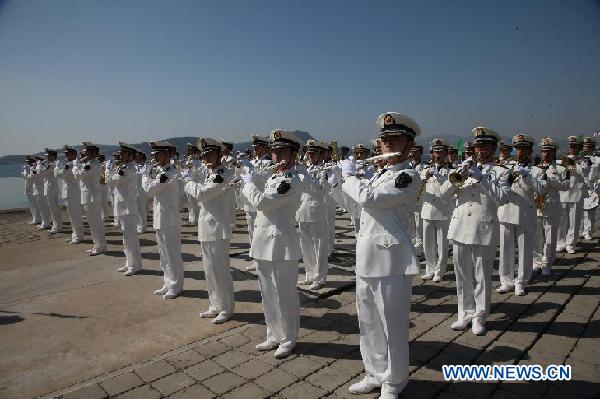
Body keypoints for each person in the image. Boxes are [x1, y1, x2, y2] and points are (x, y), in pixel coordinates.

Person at [341, 112, 421, 398]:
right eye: (384, 140)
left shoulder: (407, 176)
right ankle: (374, 372)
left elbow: (370, 199)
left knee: (393, 326)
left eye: (395, 139)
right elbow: (358, 208)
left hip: (390, 259)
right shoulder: (378, 175)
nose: (387, 145)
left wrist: (349, 176)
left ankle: (394, 381)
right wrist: (337, 183)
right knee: (369, 323)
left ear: (409, 144)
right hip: (366, 257)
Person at [240, 129, 303, 359]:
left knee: (284, 294)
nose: (275, 156)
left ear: (293, 154)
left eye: (281, 151)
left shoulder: (291, 180)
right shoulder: (273, 178)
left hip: (281, 243)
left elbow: (263, 203)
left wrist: (248, 184)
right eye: (274, 152)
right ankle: (274, 333)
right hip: (263, 242)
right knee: (268, 293)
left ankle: (288, 338)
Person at [440, 127, 509, 335]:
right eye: (477, 146)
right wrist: (457, 174)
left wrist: (481, 178)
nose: (479, 150)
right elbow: (444, 194)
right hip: (460, 228)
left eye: (484, 146)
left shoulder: (502, 172)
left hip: (483, 229)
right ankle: (465, 313)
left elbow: (502, 198)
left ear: (493, 148)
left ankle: (480, 316)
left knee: (482, 276)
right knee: (462, 276)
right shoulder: (465, 169)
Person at [184, 138, 236, 324]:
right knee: (209, 270)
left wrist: (188, 181)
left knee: (220, 270)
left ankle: (226, 308)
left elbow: (202, 194)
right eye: (204, 154)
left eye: (210, 154)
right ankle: (214, 304)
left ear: (219, 155)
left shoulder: (223, 173)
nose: (206, 157)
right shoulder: (210, 173)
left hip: (217, 228)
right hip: (206, 227)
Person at [496, 134, 547, 296]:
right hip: (506, 212)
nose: (520, 152)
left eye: (523, 148)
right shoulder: (504, 167)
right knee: (506, 250)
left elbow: (542, 189)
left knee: (525, 251)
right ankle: (506, 281)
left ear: (530, 151)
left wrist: (527, 176)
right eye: (517, 148)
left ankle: (521, 282)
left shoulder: (537, 170)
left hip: (525, 213)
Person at [142, 141, 184, 299]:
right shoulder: (161, 171)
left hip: (169, 219)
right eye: (154, 155)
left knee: (172, 254)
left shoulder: (170, 173)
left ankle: (176, 285)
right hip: (160, 218)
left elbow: (149, 190)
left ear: (167, 154)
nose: (155, 157)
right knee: (164, 253)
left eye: (158, 154)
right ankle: (168, 282)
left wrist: (145, 177)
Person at [531, 137, 570, 275]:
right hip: (536, 207)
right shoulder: (534, 168)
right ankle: (536, 261)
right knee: (536, 238)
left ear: (554, 152)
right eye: (544, 151)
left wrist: (549, 179)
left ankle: (547, 262)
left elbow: (566, 186)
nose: (546, 154)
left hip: (551, 207)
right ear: (541, 152)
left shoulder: (560, 168)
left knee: (550, 238)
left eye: (549, 151)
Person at [296, 139, 330, 290]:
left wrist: (305, 177)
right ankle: (309, 274)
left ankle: (320, 277)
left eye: (313, 153)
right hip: (301, 211)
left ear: (320, 154)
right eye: (308, 153)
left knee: (319, 247)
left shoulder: (326, 169)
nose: (310, 156)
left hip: (316, 212)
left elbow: (320, 191)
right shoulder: (304, 168)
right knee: (306, 246)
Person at [107, 143, 143, 276]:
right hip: (122, 207)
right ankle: (129, 263)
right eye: (121, 153)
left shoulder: (129, 169)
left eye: (124, 153)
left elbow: (112, 180)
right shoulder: (123, 168)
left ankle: (135, 265)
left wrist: (110, 171)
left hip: (128, 208)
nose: (121, 155)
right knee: (126, 238)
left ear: (131, 155)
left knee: (131, 238)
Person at [420, 139, 453, 283]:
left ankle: (440, 270)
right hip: (427, 210)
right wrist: (424, 178)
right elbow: (419, 190)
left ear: (446, 153)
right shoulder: (425, 169)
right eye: (435, 152)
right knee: (428, 243)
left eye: (440, 151)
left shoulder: (451, 171)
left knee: (442, 244)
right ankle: (430, 268)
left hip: (443, 211)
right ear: (431, 154)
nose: (437, 154)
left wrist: (440, 178)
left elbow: (452, 191)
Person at [240, 135, 273, 271]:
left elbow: (262, 181)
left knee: (263, 234)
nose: (255, 149)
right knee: (252, 234)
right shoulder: (253, 162)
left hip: (260, 202)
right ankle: (256, 260)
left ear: (265, 147)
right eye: (254, 147)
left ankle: (265, 260)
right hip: (249, 203)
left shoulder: (270, 163)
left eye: (257, 146)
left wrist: (250, 169)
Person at [73, 142, 107, 256]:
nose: (85, 154)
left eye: (87, 151)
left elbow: (78, 176)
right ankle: (97, 245)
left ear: (93, 153)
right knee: (93, 224)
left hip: (91, 197)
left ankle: (100, 246)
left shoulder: (93, 164)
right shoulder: (89, 163)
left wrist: (76, 165)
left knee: (96, 223)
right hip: (88, 197)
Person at [557, 136, 589, 254]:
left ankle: (571, 243)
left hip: (576, 192)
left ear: (579, 147)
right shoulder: (564, 158)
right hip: (563, 192)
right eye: (571, 146)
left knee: (574, 220)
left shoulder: (583, 159)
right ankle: (561, 242)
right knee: (561, 220)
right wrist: (565, 164)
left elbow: (584, 172)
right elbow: (559, 172)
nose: (572, 149)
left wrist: (572, 165)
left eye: (575, 146)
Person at [55, 145, 85, 244]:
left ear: (73, 154)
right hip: (70, 192)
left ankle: (78, 236)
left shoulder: (71, 165)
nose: (66, 155)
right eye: (66, 154)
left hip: (72, 192)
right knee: (72, 216)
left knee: (75, 216)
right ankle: (75, 235)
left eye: (68, 154)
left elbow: (59, 175)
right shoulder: (70, 164)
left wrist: (57, 166)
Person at [39, 148, 63, 234]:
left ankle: (57, 227)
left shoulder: (55, 164)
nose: (47, 157)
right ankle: (56, 226)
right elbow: (41, 173)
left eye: (49, 155)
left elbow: (42, 173)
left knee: (54, 209)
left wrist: (43, 167)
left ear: (53, 156)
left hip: (52, 188)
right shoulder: (49, 164)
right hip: (49, 188)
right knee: (52, 209)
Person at [580, 137, 599, 239]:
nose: (587, 148)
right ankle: (580, 231)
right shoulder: (579, 159)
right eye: (586, 146)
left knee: (590, 210)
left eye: (589, 146)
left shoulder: (597, 160)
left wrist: (598, 184)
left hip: (592, 186)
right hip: (581, 186)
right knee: (580, 210)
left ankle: (588, 231)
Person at [22, 156, 39, 225]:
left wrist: (26, 173)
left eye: (30, 162)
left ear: (33, 161)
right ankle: (34, 218)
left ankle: (38, 218)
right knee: (31, 205)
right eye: (28, 162)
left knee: (35, 205)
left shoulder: (34, 169)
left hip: (33, 188)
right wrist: (25, 172)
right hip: (28, 188)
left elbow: (30, 178)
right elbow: (24, 177)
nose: (28, 163)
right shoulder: (27, 168)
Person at [134, 151, 149, 233]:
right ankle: (139, 226)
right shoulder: (133, 166)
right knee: (136, 209)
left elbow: (147, 176)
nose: (137, 157)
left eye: (139, 156)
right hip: (134, 190)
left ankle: (143, 226)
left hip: (141, 189)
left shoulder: (146, 166)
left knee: (141, 209)